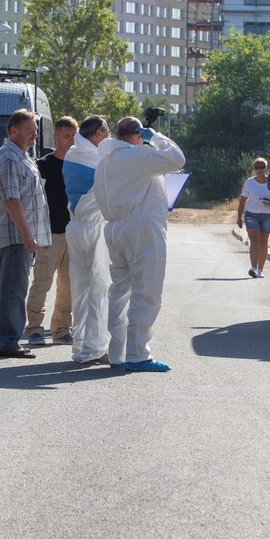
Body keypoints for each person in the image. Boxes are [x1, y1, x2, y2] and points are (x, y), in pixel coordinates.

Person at [93, 116, 186, 373]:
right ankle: (138, 354)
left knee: (120, 290)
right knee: (147, 290)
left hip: (114, 227)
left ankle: (118, 352)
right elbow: (177, 159)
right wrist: (154, 136)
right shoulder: (137, 156)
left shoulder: (105, 162)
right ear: (137, 135)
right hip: (142, 227)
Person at [0, 109, 51, 359]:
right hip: (16, 235)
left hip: (20, 235)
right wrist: (27, 235)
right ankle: (8, 342)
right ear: (13, 131)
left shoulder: (21, 156)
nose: (35, 135)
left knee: (5, 286)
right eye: (30, 130)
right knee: (14, 288)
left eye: (36, 131)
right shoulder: (9, 158)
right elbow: (12, 200)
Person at [62, 115, 111, 365]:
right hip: (95, 227)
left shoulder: (72, 153)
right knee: (100, 288)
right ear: (100, 133)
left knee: (80, 291)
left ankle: (80, 347)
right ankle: (96, 347)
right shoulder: (100, 160)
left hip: (75, 226)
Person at [24, 116, 77, 347]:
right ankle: (34, 328)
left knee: (69, 285)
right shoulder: (42, 166)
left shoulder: (79, 165)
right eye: (67, 136)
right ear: (55, 137)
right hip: (49, 234)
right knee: (42, 283)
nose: (72, 140)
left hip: (74, 234)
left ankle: (61, 329)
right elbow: (33, 200)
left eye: (75, 135)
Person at [236, 157, 270, 278]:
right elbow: (242, 200)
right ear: (254, 169)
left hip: (267, 215)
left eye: (262, 167)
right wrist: (239, 217)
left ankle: (260, 270)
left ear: (266, 168)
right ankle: (253, 268)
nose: (259, 169)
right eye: (257, 167)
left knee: (264, 243)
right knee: (255, 241)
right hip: (251, 214)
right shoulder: (249, 182)